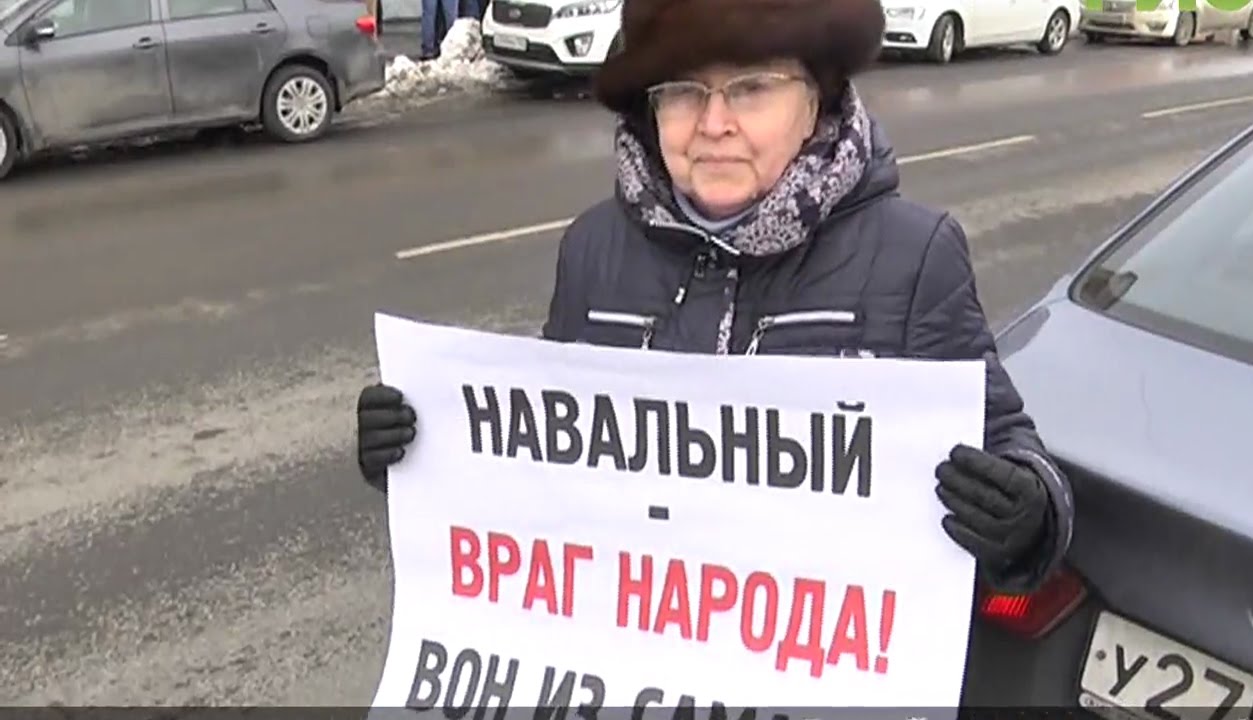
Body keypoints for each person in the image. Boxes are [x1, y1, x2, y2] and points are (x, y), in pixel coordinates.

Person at [357, 0, 1074, 595]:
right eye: (683, 91)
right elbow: (548, 462)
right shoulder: (593, 248)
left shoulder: (912, 257)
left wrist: (1027, 514)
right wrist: (428, 453)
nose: (713, 124)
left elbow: (1009, 446)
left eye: (751, 88)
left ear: (816, 99)